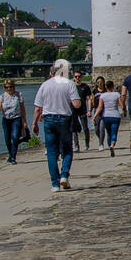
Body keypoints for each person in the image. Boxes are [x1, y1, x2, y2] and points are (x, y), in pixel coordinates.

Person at [31, 59, 82, 191]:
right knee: (67, 149)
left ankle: (55, 184)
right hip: (64, 119)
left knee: (52, 152)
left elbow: (37, 108)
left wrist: (34, 123)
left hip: (48, 119)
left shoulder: (45, 85)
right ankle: (64, 176)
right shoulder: (69, 84)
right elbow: (77, 104)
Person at [0, 78, 27, 164]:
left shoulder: (19, 95)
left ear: (13, 87)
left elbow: (22, 109)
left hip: (17, 119)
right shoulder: (2, 96)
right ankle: (10, 155)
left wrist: (24, 121)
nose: (9, 89)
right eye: (7, 87)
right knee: (7, 139)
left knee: (15, 137)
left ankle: (13, 157)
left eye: (10, 87)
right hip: (6, 120)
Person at [92, 78, 123, 156]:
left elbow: (100, 107)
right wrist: (125, 110)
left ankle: (109, 146)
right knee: (114, 132)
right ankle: (112, 144)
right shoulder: (116, 94)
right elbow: (121, 105)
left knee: (109, 133)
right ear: (112, 86)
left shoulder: (102, 96)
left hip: (106, 116)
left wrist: (94, 116)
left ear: (106, 87)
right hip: (115, 116)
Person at [71, 70, 92, 152]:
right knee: (74, 129)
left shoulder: (85, 87)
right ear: (73, 78)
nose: (77, 78)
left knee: (85, 128)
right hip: (73, 110)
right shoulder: (71, 86)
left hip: (83, 109)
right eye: (76, 76)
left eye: (79, 76)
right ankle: (76, 146)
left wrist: (89, 110)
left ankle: (87, 144)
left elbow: (88, 99)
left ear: (81, 77)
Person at [92, 76, 108, 148]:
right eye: (98, 82)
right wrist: (90, 110)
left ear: (103, 83)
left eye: (101, 82)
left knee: (102, 128)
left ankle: (101, 144)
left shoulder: (106, 91)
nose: (100, 84)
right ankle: (100, 139)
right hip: (96, 111)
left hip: (104, 111)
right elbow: (92, 101)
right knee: (96, 129)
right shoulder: (94, 91)